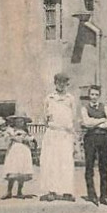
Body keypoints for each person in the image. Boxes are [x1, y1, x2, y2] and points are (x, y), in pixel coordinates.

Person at [39, 72, 77, 202]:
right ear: (55, 83)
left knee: (66, 162)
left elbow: (73, 117)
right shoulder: (49, 98)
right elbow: (45, 117)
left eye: (64, 82)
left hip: (66, 134)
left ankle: (67, 191)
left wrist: (71, 133)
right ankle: (52, 191)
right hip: (53, 134)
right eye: (58, 82)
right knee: (51, 162)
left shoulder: (70, 99)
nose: (61, 85)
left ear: (67, 84)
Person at [81, 83, 107, 206]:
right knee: (89, 167)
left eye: (96, 94)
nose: (94, 97)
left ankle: (104, 196)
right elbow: (86, 122)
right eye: (92, 94)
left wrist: (95, 123)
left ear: (99, 96)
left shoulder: (104, 107)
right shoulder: (84, 108)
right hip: (90, 139)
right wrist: (102, 120)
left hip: (104, 139)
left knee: (103, 168)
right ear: (89, 95)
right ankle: (92, 195)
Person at [1, 115, 34, 200]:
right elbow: (6, 138)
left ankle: (19, 191)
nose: (20, 123)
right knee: (13, 170)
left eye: (22, 121)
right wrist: (13, 137)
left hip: (24, 151)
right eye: (18, 121)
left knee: (22, 170)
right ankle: (9, 191)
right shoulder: (10, 130)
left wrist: (27, 140)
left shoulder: (26, 132)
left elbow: (30, 140)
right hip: (14, 151)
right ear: (14, 122)